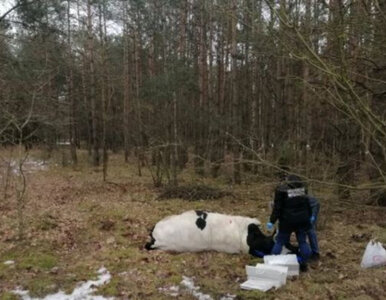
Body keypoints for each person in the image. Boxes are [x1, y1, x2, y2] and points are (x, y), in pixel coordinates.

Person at [267, 174, 312, 272]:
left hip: (287, 221)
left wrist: (272, 220)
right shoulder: (303, 188)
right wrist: (310, 215)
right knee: (302, 242)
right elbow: (307, 204)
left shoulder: (281, 190)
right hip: (302, 220)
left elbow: (277, 208)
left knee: (280, 241)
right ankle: (304, 264)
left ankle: (271, 263)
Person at [307, 195, 320, 261]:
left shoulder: (294, 192)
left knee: (310, 229)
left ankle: (315, 253)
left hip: (313, 204)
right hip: (306, 205)